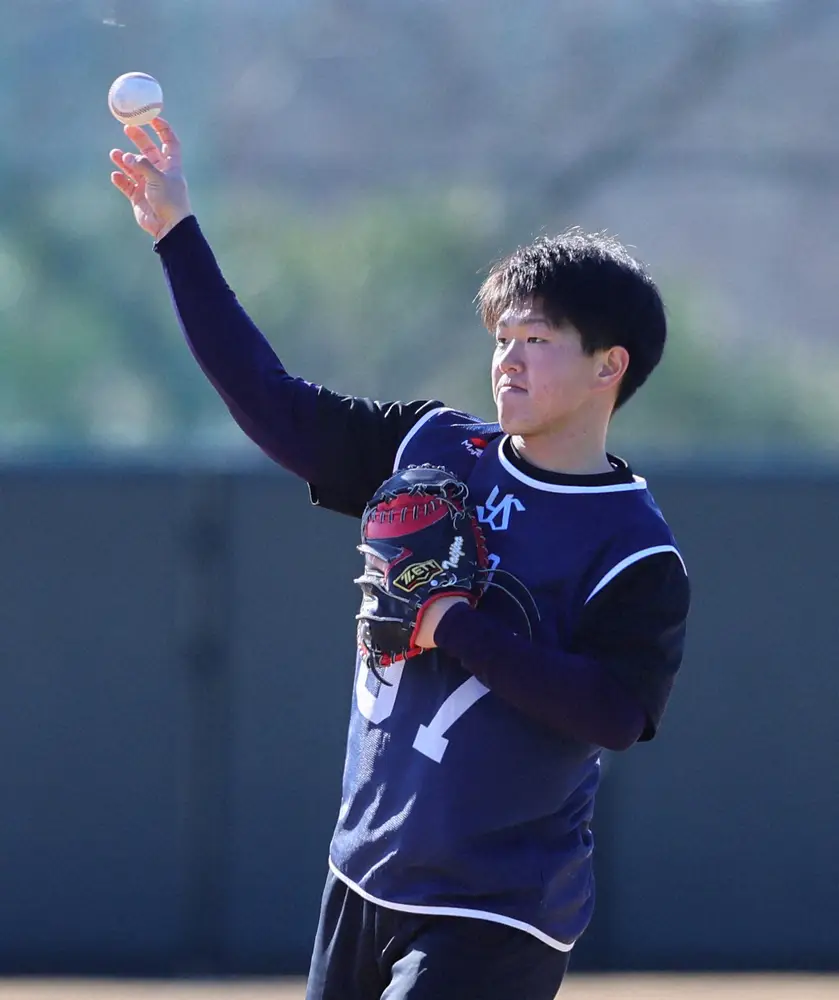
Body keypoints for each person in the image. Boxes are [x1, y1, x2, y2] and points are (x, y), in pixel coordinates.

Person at [110, 118, 690, 1000]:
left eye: (536, 339)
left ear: (610, 364)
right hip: (363, 872)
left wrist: (454, 625)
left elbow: (613, 712)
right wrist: (176, 236)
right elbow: (271, 404)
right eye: (503, 337)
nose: (508, 359)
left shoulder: (633, 547)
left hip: (498, 905)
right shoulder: (432, 446)